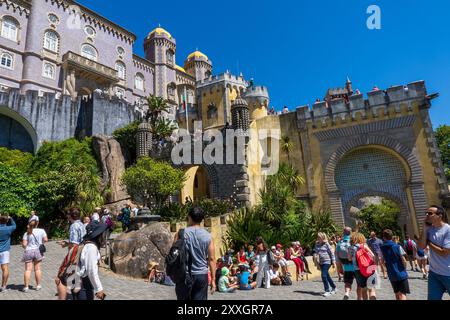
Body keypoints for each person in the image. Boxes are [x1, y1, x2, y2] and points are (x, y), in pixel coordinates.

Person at [174, 206, 216, 300]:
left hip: (184, 275)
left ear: (189, 217)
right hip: (201, 275)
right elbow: (212, 259)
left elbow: (174, 254)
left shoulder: (180, 234)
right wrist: (213, 279)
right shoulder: (208, 236)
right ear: (202, 219)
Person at [417, 205, 450, 300]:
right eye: (426, 213)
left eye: (430, 213)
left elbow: (444, 253)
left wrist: (429, 243)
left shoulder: (448, 230)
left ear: (440, 215)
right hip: (434, 273)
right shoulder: (429, 229)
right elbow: (421, 246)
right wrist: (424, 229)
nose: (427, 215)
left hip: (448, 273)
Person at [55, 208, 86, 300]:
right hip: (83, 253)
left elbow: (74, 245)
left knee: (63, 278)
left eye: (68, 215)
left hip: (75, 255)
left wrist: (66, 245)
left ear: (70, 216)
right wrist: (66, 243)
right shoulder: (82, 224)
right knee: (79, 281)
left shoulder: (74, 226)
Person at [74, 222, 107, 300]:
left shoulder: (87, 244)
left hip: (84, 282)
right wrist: (99, 289)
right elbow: (91, 271)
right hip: (84, 284)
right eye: (104, 234)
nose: (105, 237)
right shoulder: (91, 248)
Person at [380, 229, 410, 300]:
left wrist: (387, 269)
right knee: (403, 294)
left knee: (396, 294)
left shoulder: (382, 248)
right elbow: (404, 261)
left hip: (391, 274)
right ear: (392, 236)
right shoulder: (397, 246)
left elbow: (382, 261)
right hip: (401, 273)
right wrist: (404, 269)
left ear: (384, 237)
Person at [21, 220, 48, 292]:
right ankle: (38, 285)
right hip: (38, 251)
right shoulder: (42, 231)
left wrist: (25, 247)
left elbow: (24, 245)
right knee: (37, 269)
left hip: (29, 251)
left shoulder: (26, 233)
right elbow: (45, 239)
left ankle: (26, 287)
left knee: (28, 270)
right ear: (37, 224)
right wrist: (41, 243)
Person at [349, 232, 376, 300]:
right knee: (371, 288)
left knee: (363, 290)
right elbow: (373, 256)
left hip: (358, 270)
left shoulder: (350, 248)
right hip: (369, 267)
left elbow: (349, 258)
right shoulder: (364, 245)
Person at [314, 232, 337, 297]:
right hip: (320, 262)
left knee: (323, 275)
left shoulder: (326, 244)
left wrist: (333, 262)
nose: (318, 238)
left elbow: (332, 253)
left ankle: (327, 290)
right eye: (317, 237)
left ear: (323, 237)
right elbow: (316, 252)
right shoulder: (317, 244)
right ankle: (334, 288)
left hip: (327, 262)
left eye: (319, 237)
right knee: (327, 275)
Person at [336, 227, 354, 300]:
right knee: (360, 284)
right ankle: (359, 297)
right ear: (351, 232)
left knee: (347, 282)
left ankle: (347, 293)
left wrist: (339, 267)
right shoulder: (354, 240)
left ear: (343, 233)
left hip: (346, 266)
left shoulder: (340, 242)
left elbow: (337, 256)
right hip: (356, 266)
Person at [0, 215, 16, 292]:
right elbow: (14, 225)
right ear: (6, 221)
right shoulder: (8, 229)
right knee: (5, 269)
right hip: (4, 251)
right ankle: (3, 286)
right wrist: (11, 218)